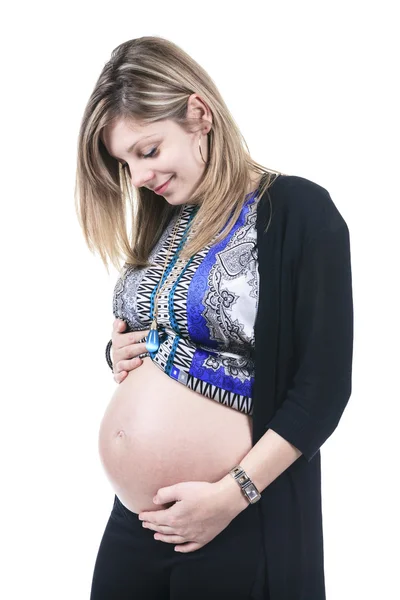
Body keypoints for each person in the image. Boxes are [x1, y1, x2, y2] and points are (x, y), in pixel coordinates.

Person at [75, 36, 354, 600]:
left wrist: (232, 495)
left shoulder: (300, 212)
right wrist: (119, 351)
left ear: (198, 115)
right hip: (136, 526)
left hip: (238, 518)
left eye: (147, 151)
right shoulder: (164, 221)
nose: (138, 179)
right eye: (124, 162)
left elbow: (322, 388)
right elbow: (165, 328)